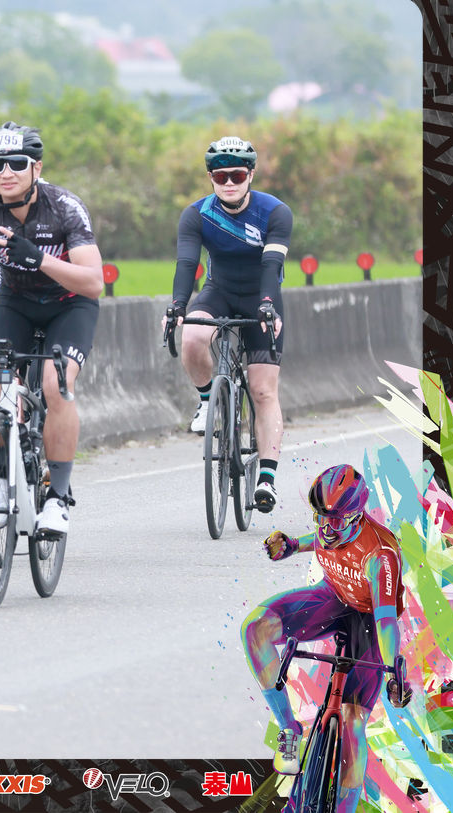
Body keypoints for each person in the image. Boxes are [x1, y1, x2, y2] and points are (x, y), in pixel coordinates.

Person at [0, 121, 104, 535]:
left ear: (36, 168)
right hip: (17, 304)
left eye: (16, 163)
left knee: (55, 383)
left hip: (69, 304)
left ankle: (58, 497)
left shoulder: (65, 207)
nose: (6, 172)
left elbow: (93, 282)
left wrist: (40, 259)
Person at [241, 464, 413, 813]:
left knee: (351, 724)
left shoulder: (380, 556)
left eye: (336, 521)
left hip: (370, 621)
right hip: (332, 597)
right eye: (321, 518)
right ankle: (289, 729)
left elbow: (385, 621)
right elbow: (319, 539)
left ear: (357, 516)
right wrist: (292, 546)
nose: (327, 529)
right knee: (254, 629)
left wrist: (395, 672)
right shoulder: (331, 525)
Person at [164, 136, 289, 513]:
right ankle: (207, 401)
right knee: (192, 335)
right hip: (218, 291)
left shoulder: (274, 212)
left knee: (263, 390)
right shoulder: (197, 214)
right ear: (211, 178)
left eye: (237, 175)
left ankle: (266, 477)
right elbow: (187, 263)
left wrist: (267, 305)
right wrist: (177, 305)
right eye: (221, 177)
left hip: (261, 296)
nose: (229, 183)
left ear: (251, 174)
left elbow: (272, 265)